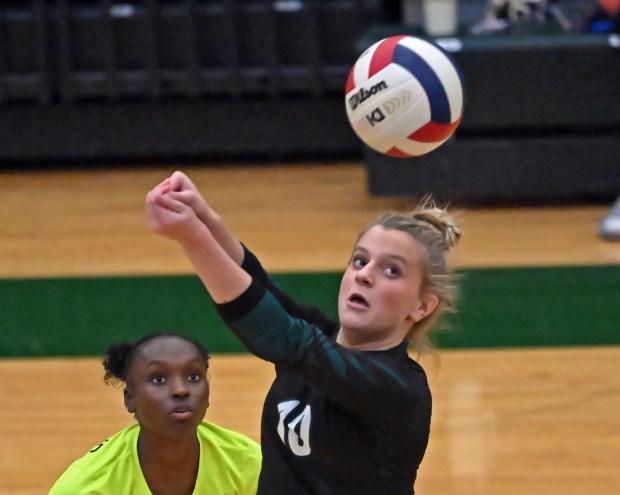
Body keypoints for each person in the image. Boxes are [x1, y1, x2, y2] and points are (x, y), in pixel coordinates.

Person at [145, 172, 461, 494]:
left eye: (391, 270)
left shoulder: (397, 387)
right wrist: (201, 214)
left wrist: (193, 236)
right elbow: (259, 285)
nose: (364, 275)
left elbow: (280, 335)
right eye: (359, 260)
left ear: (422, 306)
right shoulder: (325, 338)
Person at [49, 332, 261, 495]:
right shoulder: (86, 487)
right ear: (129, 398)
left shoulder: (250, 465)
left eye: (194, 376)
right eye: (159, 379)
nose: (181, 389)